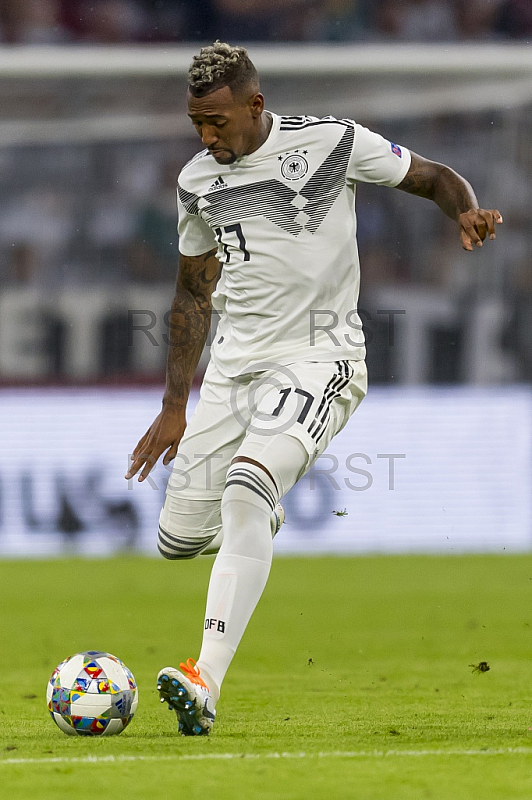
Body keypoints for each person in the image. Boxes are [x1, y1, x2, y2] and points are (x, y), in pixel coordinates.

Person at [125, 41, 502, 736]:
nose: (206, 136)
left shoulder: (332, 143)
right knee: (177, 540)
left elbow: (431, 175)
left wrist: (465, 211)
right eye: (195, 123)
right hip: (233, 369)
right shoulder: (195, 181)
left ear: (254, 105)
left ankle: (204, 679)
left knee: (245, 486)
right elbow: (191, 292)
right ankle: (259, 517)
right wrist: (175, 404)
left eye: (216, 121)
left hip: (319, 355)